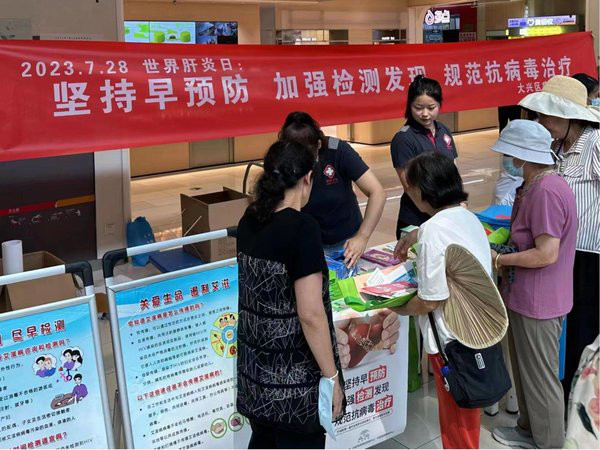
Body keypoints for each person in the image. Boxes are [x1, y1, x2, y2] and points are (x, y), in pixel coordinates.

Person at [236, 140, 345, 449]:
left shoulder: (249, 220)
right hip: (294, 388)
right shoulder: (302, 228)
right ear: (307, 178)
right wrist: (332, 378)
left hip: (256, 378)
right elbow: (310, 315)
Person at [391, 152, 489, 449]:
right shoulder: (468, 217)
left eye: (410, 187)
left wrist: (395, 307)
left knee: (457, 421)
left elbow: (430, 300)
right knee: (466, 416)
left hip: (450, 341)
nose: (409, 192)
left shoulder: (433, 230)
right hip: (475, 329)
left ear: (423, 190)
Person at [489, 120, 577, 449]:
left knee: (540, 377)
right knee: (526, 372)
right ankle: (528, 429)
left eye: (510, 153)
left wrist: (500, 260)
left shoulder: (546, 192)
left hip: (539, 301)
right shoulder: (532, 186)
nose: (507, 160)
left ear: (522, 155)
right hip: (524, 296)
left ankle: (550, 442)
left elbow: (546, 253)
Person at [518, 75, 600, 402]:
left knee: (583, 329)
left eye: (546, 116)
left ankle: (579, 401)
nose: (541, 122)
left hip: (589, 255)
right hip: (559, 253)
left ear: (569, 116)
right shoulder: (554, 148)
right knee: (561, 332)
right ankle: (561, 397)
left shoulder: (594, 144)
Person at [279, 112, 385, 267]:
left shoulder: (337, 151)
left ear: (318, 145)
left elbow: (377, 192)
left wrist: (362, 236)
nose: (301, 162)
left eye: (306, 156)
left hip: (346, 242)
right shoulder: (281, 162)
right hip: (308, 243)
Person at [390, 75, 458, 239]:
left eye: (431, 107)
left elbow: (454, 172)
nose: (425, 114)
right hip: (417, 218)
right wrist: (441, 211)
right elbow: (410, 186)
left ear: (439, 104)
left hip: (446, 214)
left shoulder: (444, 131)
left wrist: (459, 203)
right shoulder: (403, 139)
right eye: (418, 108)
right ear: (409, 105)